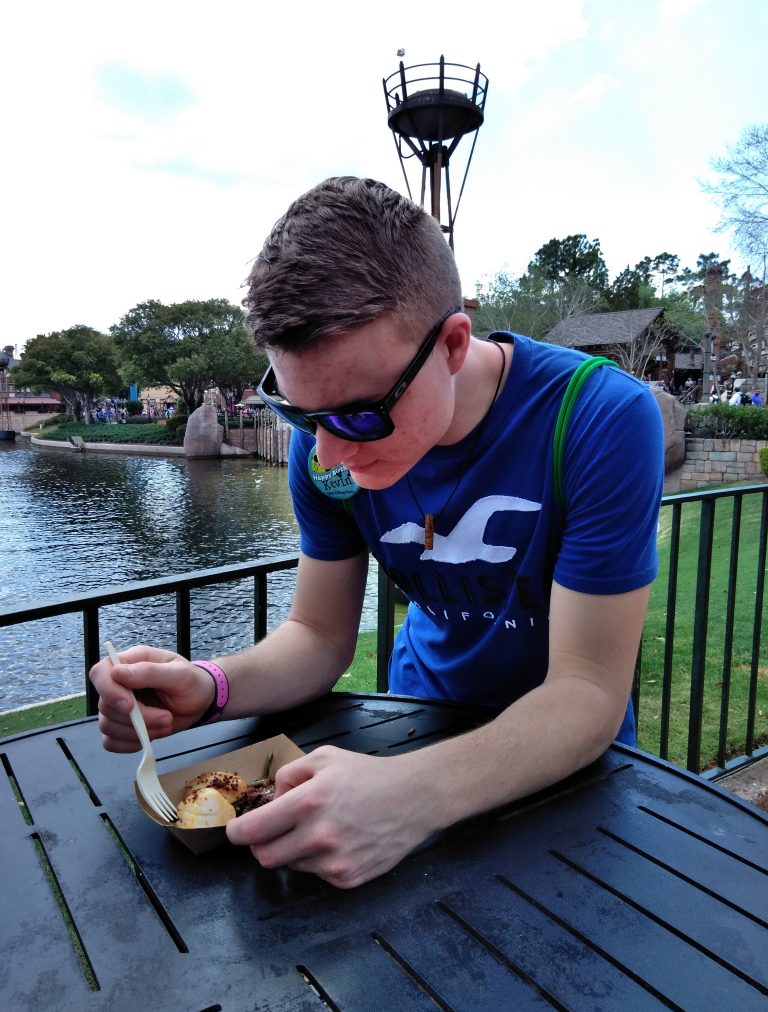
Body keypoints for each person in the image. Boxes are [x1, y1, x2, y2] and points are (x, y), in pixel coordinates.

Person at [90, 176, 664, 889]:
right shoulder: (327, 440)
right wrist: (210, 686)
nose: (328, 455)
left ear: (453, 344)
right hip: (408, 733)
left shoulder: (599, 418)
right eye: (301, 415)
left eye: (360, 416)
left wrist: (413, 796)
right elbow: (321, 636)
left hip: (556, 766)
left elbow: (586, 694)